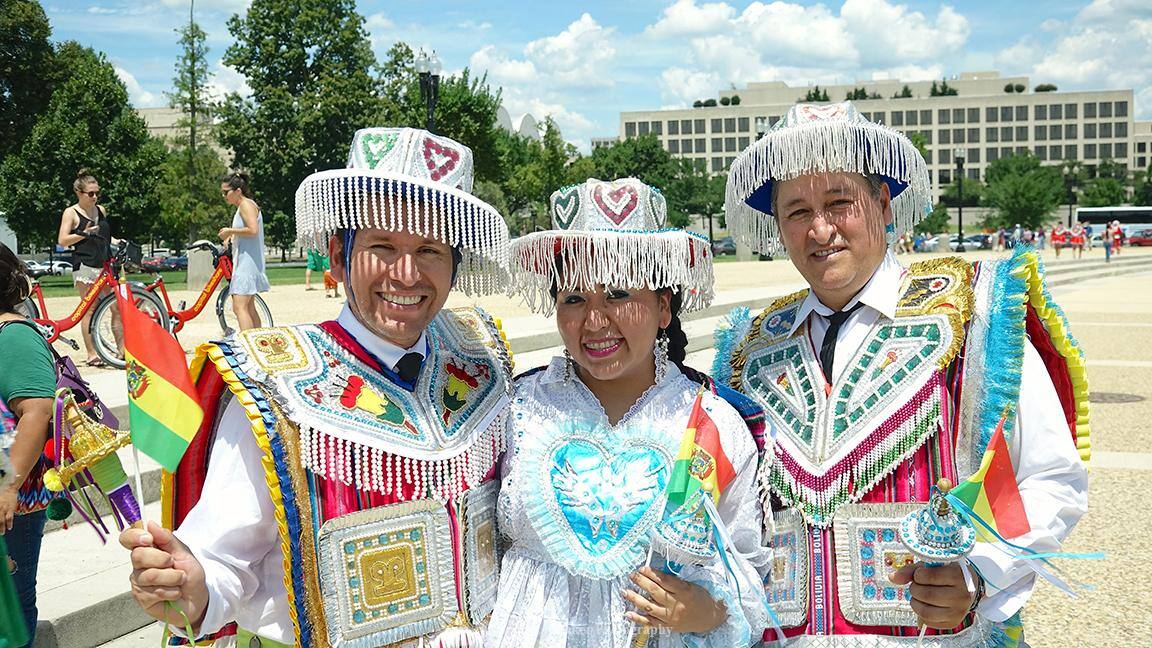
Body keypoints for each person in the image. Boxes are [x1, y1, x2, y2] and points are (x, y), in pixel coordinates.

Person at [121, 128, 514, 647]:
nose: (406, 273)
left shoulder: (480, 355)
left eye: (430, 250)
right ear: (336, 255)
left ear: (454, 265)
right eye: (382, 246)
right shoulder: (280, 386)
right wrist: (191, 589)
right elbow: (219, 559)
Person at [715, 102, 1089, 646]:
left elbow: (1049, 476)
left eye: (839, 202)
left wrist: (979, 571)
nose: (820, 230)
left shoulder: (974, 314)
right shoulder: (750, 347)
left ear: (882, 204)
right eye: (797, 211)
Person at [487, 178, 769, 647]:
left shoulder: (711, 423)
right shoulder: (518, 410)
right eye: (574, 298)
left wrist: (704, 609)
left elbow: (749, 573)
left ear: (663, 307)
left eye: (617, 293)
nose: (594, 320)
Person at [0, 244, 56, 647]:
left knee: (9, 616)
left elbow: (37, 412)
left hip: (7, 503)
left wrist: (7, 487)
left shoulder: (14, 336)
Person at [57, 169, 121, 367]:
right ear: (79, 192)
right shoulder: (72, 212)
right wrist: (84, 233)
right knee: (90, 309)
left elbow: (106, 236)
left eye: (97, 193)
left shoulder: (100, 210)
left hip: (104, 263)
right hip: (85, 265)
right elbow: (62, 240)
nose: (95, 197)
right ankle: (92, 353)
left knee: (116, 307)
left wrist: (118, 242)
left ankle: (121, 350)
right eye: (90, 194)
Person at [217, 172, 270, 331]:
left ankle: (247, 344)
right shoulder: (246, 205)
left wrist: (229, 231)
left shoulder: (245, 205)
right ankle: (257, 342)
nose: (224, 196)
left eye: (226, 192)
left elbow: (253, 230)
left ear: (237, 191)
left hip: (247, 264)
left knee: (239, 307)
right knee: (249, 308)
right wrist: (232, 236)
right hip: (249, 262)